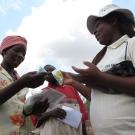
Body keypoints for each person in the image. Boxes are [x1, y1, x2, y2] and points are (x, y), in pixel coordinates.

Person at [63, 4, 135, 135]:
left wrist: (101, 77)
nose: (94, 32)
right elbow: (94, 95)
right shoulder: (100, 59)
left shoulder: (131, 44)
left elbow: (104, 80)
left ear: (113, 20)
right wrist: (74, 82)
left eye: (97, 25)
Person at [0, 35, 49, 135]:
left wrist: (33, 110)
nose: (21, 56)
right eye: (17, 50)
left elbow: (19, 109)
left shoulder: (19, 77)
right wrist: (21, 83)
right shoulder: (21, 81)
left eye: (23, 54)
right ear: (4, 51)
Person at [33, 64, 89, 135]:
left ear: (58, 72)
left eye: (52, 70)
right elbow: (36, 121)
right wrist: (50, 113)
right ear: (44, 76)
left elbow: (82, 116)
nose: (49, 72)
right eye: (46, 71)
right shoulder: (41, 94)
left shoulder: (71, 88)